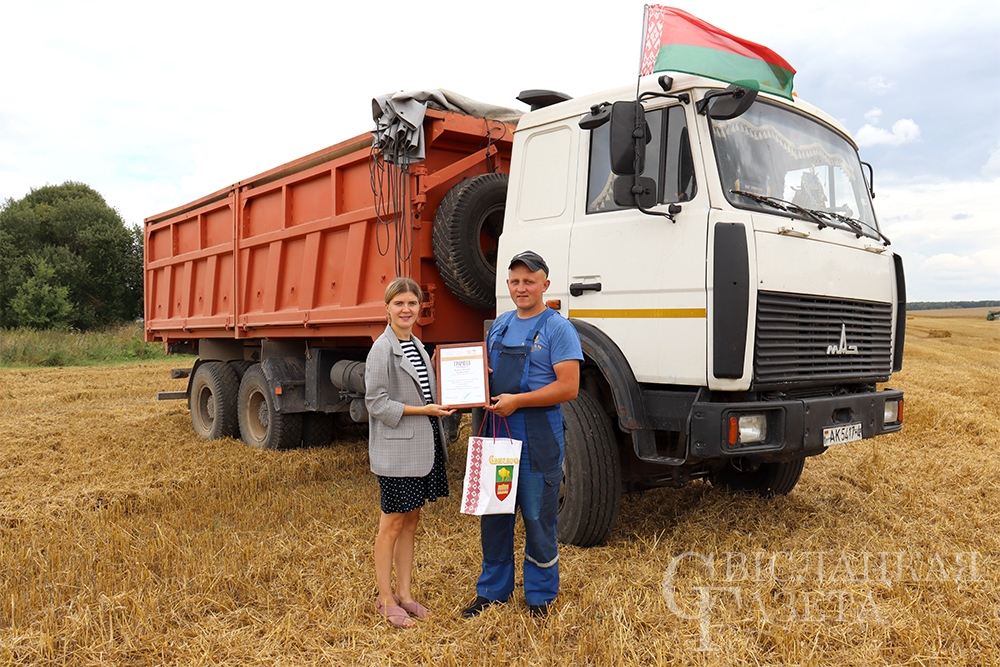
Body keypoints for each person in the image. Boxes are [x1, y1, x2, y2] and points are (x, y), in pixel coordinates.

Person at [462, 251, 583, 618]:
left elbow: (569, 387)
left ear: (545, 285)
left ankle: (540, 597)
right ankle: (492, 591)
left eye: (529, 281)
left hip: (537, 436)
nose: (521, 287)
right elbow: (484, 374)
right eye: (515, 281)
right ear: (508, 285)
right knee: (495, 515)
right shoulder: (499, 325)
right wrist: (469, 375)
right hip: (496, 433)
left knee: (537, 518)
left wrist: (518, 401)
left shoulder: (558, 328)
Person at [365, 277, 456, 628]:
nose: (406, 309)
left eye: (412, 303)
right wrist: (424, 411)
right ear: (387, 308)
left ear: (420, 308)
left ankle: (405, 594)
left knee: (411, 522)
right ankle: (385, 598)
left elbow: (428, 392)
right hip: (397, 453)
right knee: (391, 525)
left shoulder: (417, 345)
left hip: (420, 449)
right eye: (399, 303)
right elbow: (376, 403)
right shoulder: (381, 349)